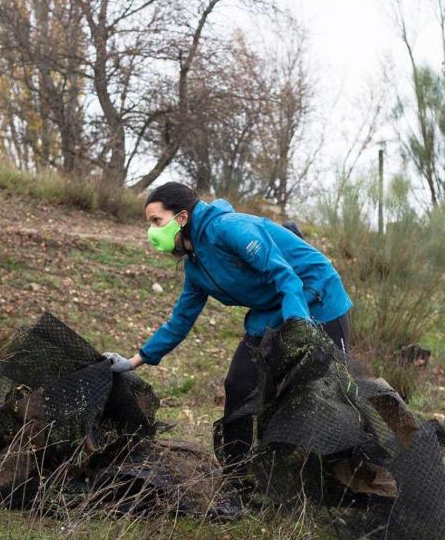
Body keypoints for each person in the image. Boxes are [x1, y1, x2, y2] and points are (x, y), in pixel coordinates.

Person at [102, 182, 353, 473]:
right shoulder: (195, 267)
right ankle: (238, 477)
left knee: (331, 390)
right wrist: (133, 362)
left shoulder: (230, 229)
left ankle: (349, 475)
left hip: (317, 297)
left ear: (182, 218)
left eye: (156, 221)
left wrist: (298, 325)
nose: (152, 231)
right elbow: (179, 321)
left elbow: (284, 275)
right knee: (239, 383)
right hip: (271, 308)